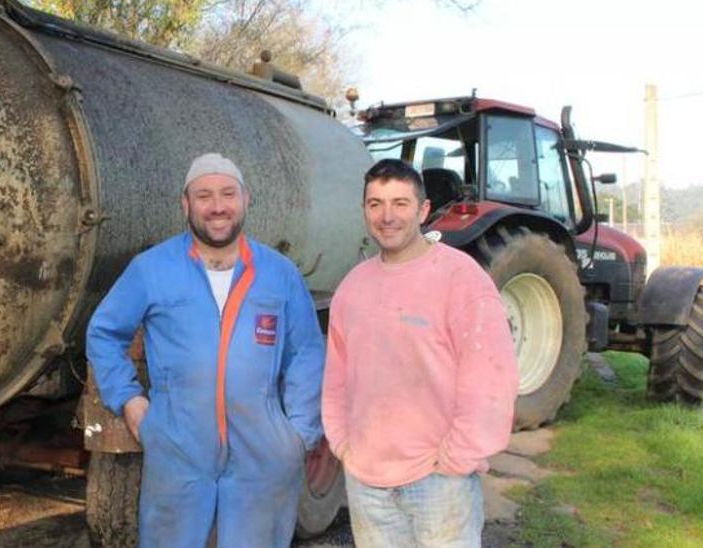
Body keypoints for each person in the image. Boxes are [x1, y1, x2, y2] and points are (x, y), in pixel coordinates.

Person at [86, 153, 325, 547]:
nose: (217, 206)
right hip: (177, 450)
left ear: (246, 199)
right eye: (204, 196)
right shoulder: (151, 268)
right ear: (186, 204)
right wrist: (128, 400)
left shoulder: (279, 273)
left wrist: (298, 433)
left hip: (262, 454)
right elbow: (104, 332)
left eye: (228, 194)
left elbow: (306, 353)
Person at [323, 158, 519, 547]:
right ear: (364, 210)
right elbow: (337, 377)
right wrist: (342, 442)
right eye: (375, 203)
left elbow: (490, 379)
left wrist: (457, 458)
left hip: (438, 482)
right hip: (367, 481)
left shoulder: (460, 280)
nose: (387, 216)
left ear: (423, 210)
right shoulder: (352, 287)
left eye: (400, 203)